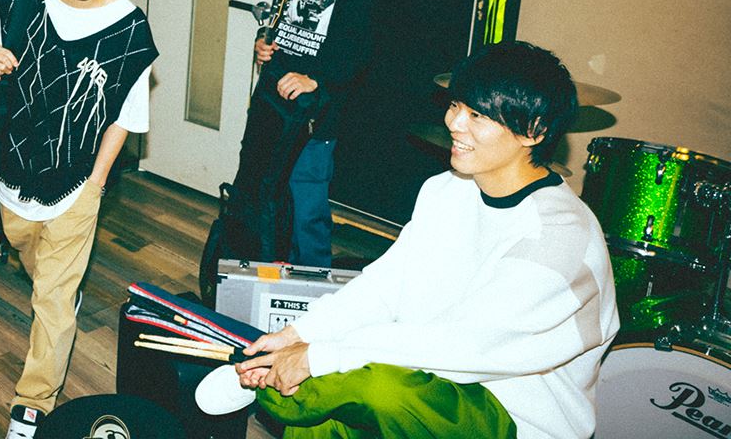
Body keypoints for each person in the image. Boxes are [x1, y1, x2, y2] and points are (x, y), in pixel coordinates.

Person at [206, 41, 619, 439]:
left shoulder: (558, 239)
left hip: (512, 415)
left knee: (372, 387)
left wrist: (317, 357)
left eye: (477, 115)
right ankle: (276, 378)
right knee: (328, 409)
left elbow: (464, 345)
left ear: (534, 131)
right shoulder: (447, 189)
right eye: (456, 105)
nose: (454, 123)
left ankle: (264, 386)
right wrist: (300, 333)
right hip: (429, 370)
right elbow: (386, 284)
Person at [0, 0, 157, 439]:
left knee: (53, 300)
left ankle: (32, 404)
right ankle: (59, 288)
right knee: (29, 256)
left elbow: (126, 117)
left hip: (78, 180)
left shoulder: (130, 28)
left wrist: (96, 184)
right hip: (14, 172)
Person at [231, 0, 374, 268]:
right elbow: (281, 26)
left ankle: (313, 290)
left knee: (305, 206)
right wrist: (264, 42)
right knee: (260, 195)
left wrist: (317, 79)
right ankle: (261, 275)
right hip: (272, 105)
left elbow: (362, 52)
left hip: (315, 114)